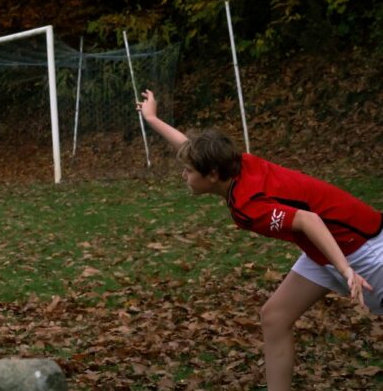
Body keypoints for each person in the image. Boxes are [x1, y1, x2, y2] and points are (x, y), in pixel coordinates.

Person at [137, 89, 383, 391]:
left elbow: (308, 220)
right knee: (275, 317)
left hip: (362, 250)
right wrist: (152, 118)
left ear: (212, 174)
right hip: (323, 248)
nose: (184, 176)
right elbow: (191, 149)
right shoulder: (238, 163)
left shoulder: (248, 205)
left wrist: (345, 270)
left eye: (188, 171)